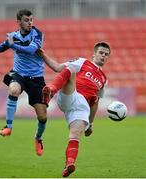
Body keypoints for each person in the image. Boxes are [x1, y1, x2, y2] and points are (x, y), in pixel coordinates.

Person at [0, 9, 47, 156]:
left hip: (36, 78)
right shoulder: (13, 36)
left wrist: (13, 45)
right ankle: (8, 126)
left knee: (43, 116)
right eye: (26, 20)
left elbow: (31, 50)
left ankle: (38, 138)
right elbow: (1, 47)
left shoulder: (37, 34)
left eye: (31, 20)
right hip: (18, 74)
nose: (30, 23)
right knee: (13, 90)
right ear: (18, 22)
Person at [39, 42, 111, 177]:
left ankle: (69, 164)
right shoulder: (83, 62)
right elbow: (58, 68)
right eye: (101, 53)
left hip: (82, 108)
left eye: (106, 54)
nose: (103, 56)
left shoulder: (104, 80)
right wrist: (43, 55)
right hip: (72, 95)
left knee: (75, 134)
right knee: (70, 70)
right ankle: (51, 90)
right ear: (94, 54)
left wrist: (90, 124)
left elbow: (95, 103)